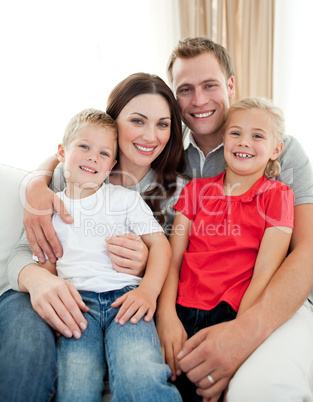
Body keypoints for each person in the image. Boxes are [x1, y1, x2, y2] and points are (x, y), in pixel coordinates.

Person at [2, 73, 186, 401]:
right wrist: (36, 186)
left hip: (127, 299)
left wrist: (147, 279)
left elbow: (171, 252)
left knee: (138, 369)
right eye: (137, 121)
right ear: (115, 122)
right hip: (79, 301)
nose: (150, 135)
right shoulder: (62, 181)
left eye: (163, 124)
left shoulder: (172, 193)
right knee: (75, 379)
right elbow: (31, 254)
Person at [156, 37, 313, 401]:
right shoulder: (160, 143)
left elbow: (306, 253)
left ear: (230, 84)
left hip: (272, 299)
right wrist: (41, 175)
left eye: (210, 85)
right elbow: (94, 144)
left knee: (262, 389)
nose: (199, 100)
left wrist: (243, 333)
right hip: (185, 301)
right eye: (185, 90)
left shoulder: (283, 152)